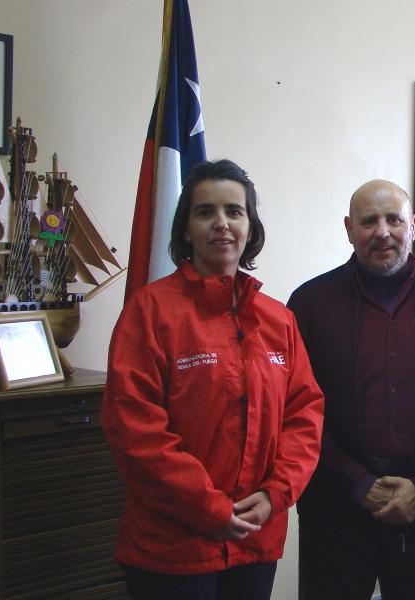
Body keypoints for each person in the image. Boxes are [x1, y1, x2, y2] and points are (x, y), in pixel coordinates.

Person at [102, 159, 324, 600]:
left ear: (250, 226)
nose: (221, 224)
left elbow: (305, 415)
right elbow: (136, 430)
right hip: (173, 546)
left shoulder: (278, 319)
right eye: (206, 212)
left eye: (234, 211)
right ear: (186, 227)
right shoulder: (150, 312)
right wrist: (208, 507)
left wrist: (275, 494)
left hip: (255, 537)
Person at [287, 179, 415, 600]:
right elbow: (294, 412)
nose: (382, 231)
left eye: (393, 219)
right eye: (368, 221)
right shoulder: (309, 305)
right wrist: (357, 484)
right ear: (348, 229)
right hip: (335, 510)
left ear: (413, 225)